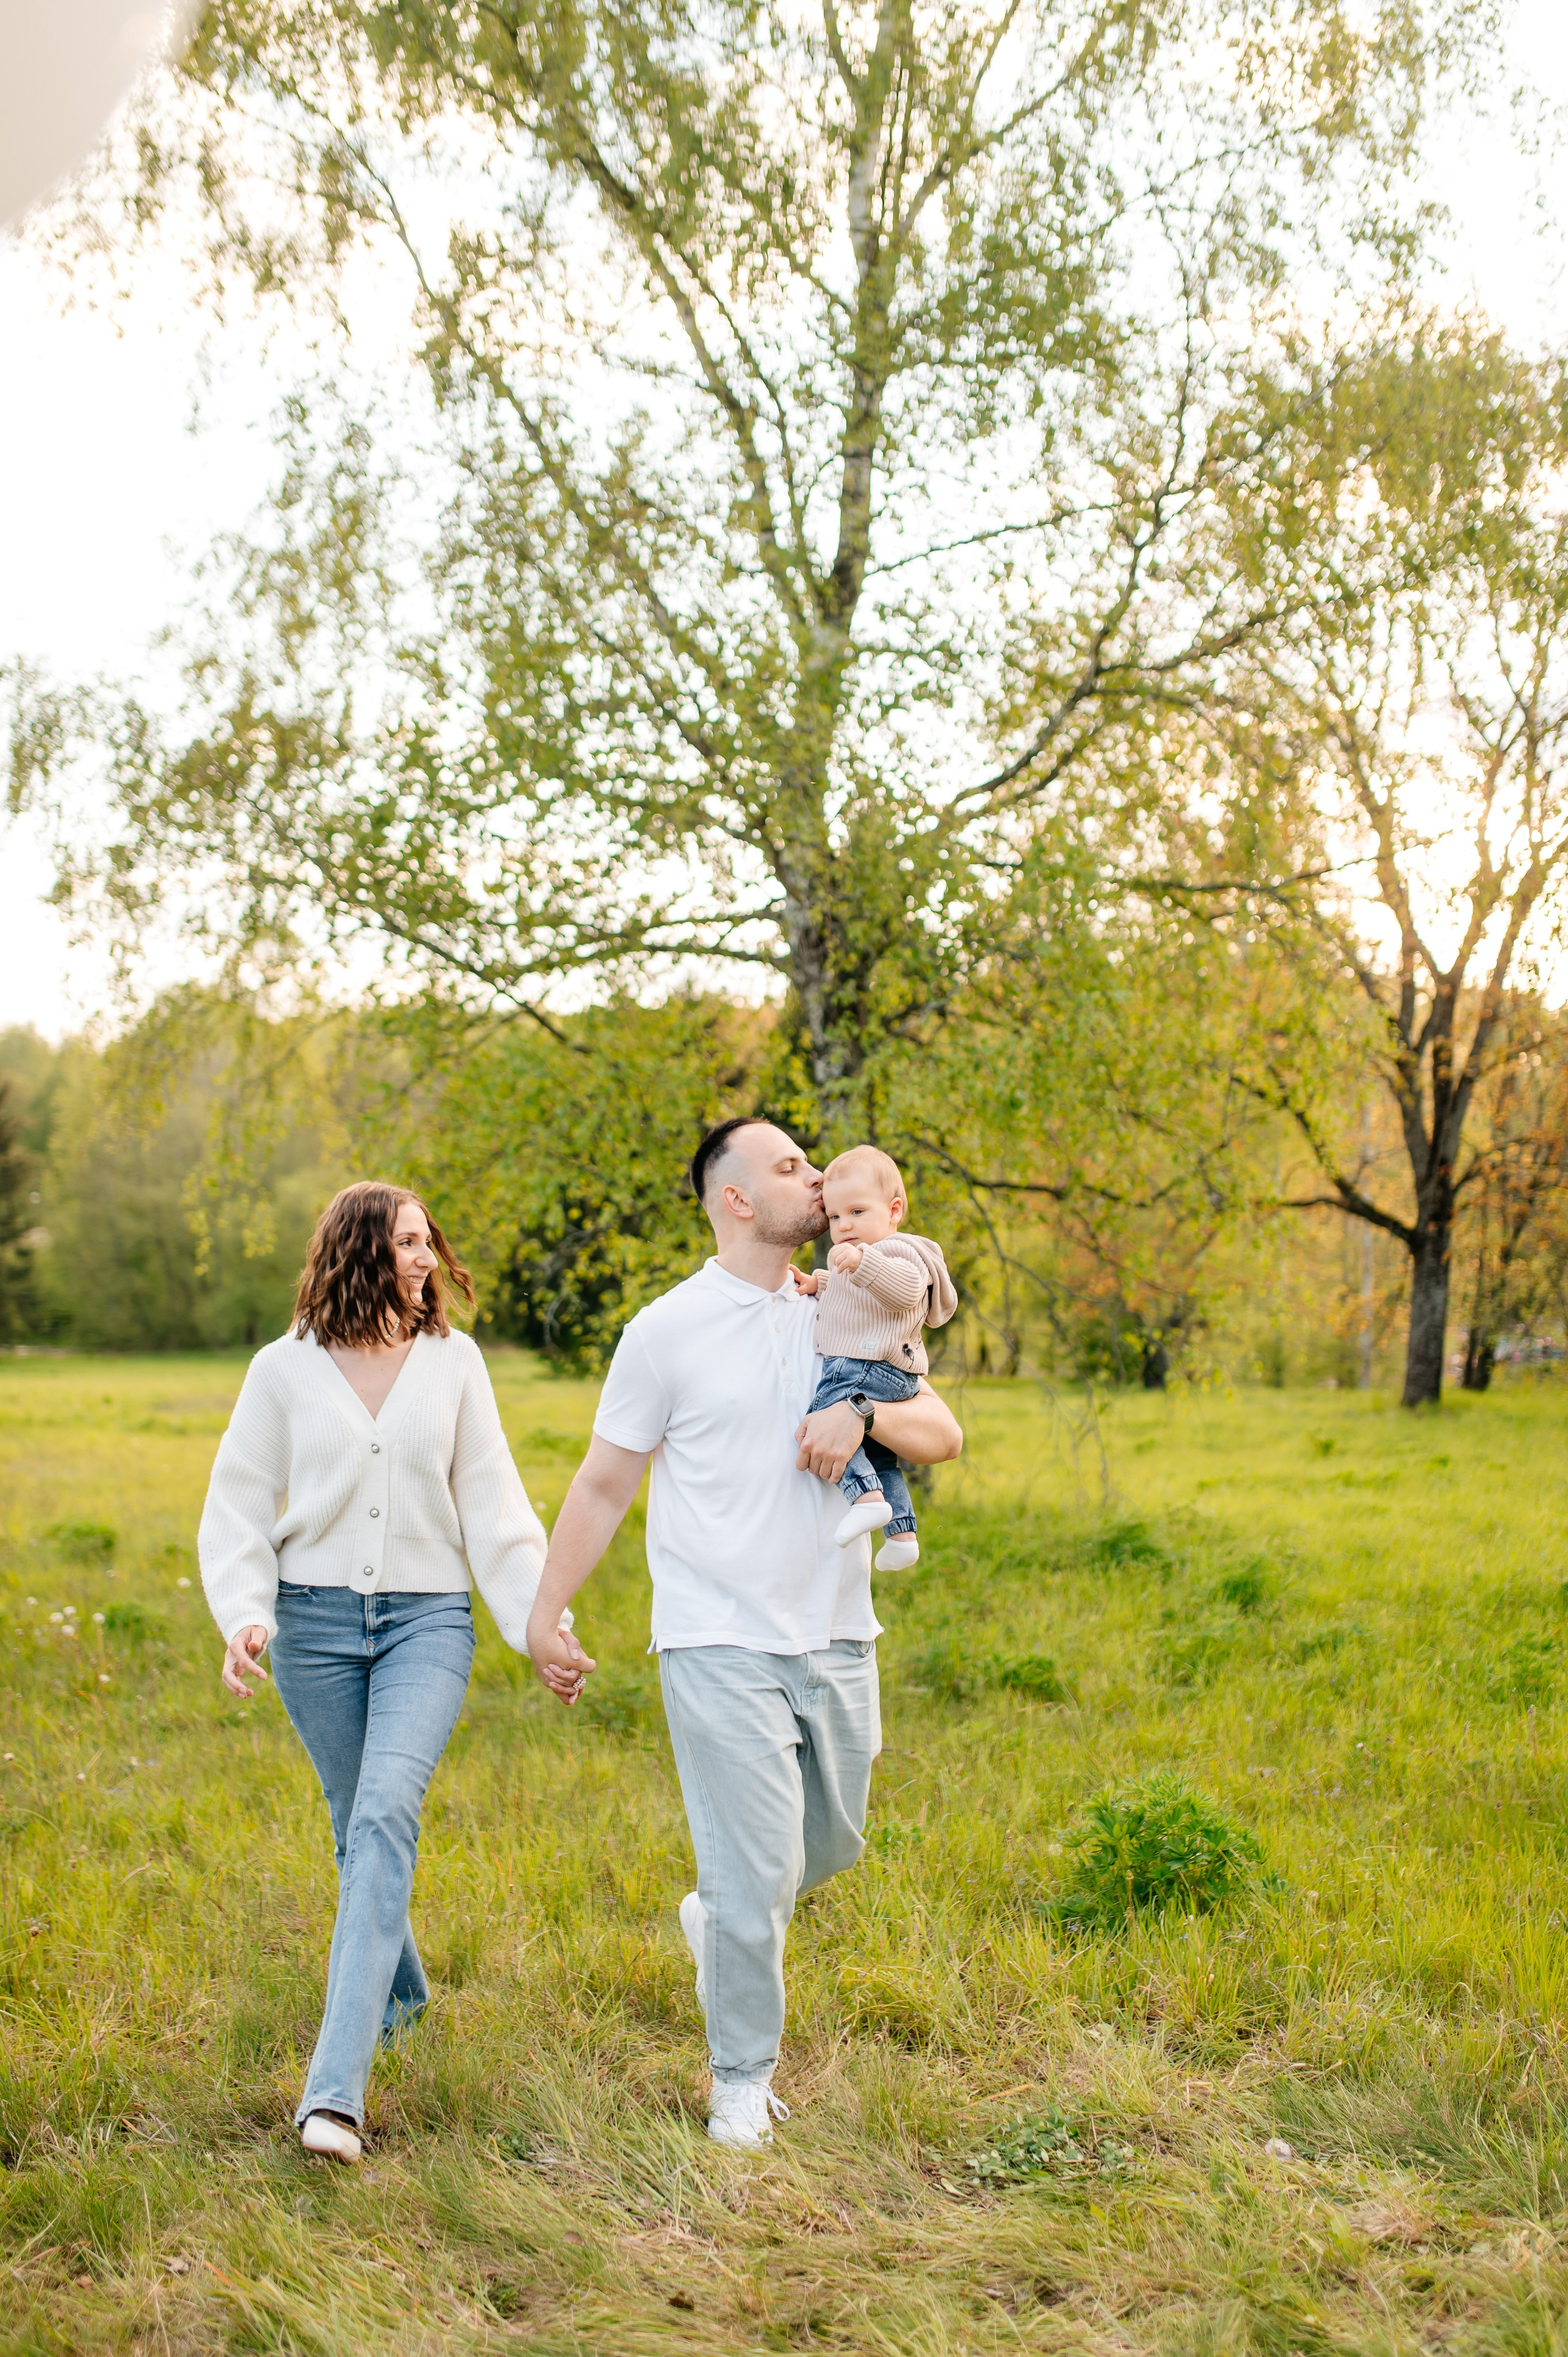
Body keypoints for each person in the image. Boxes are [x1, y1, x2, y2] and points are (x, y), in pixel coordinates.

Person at [524, 1118, 964, 2149]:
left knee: (832, 1841)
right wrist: (546, 1611)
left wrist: (863, 1415)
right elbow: (603, 1480)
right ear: (735, 1199)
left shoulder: (841, 1303)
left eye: (814, 1165)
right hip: (716, 1633)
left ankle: (720, 1915)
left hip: (839, 1629)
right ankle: (739, 2082)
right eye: (789, 1167)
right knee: (756, 1863)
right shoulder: (666, 1330)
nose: (815, 1179)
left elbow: (942, 1432)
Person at [198, 1180, 560, 2164]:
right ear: (359, 1251)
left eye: (427, 1241)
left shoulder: (454, 1363)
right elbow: (235, 1504)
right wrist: (246, 1614)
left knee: (384, 1813)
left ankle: (335, 2097)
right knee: (356, 1825)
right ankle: (401, 1992)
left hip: (427, 1624)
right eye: (406, 1242)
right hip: (311, 1628)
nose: (425, 1258)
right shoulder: (283, 1369)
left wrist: (540, 1628)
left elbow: (494, 1503)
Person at [791, 1144, 957, 1569]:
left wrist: (864, 1262)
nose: (843, 1226)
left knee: (822, 1419)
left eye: (857, 1213)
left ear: (894, 1210)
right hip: (879, 1370)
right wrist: (820, 1284)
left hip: (865, 1367)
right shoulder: (861, 1255)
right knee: (880, 1453)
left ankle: (864, 1497)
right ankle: (902, 1535)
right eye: (834, 1217)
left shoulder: (899, 1252)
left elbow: (903, 1291)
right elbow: (857, 1303)